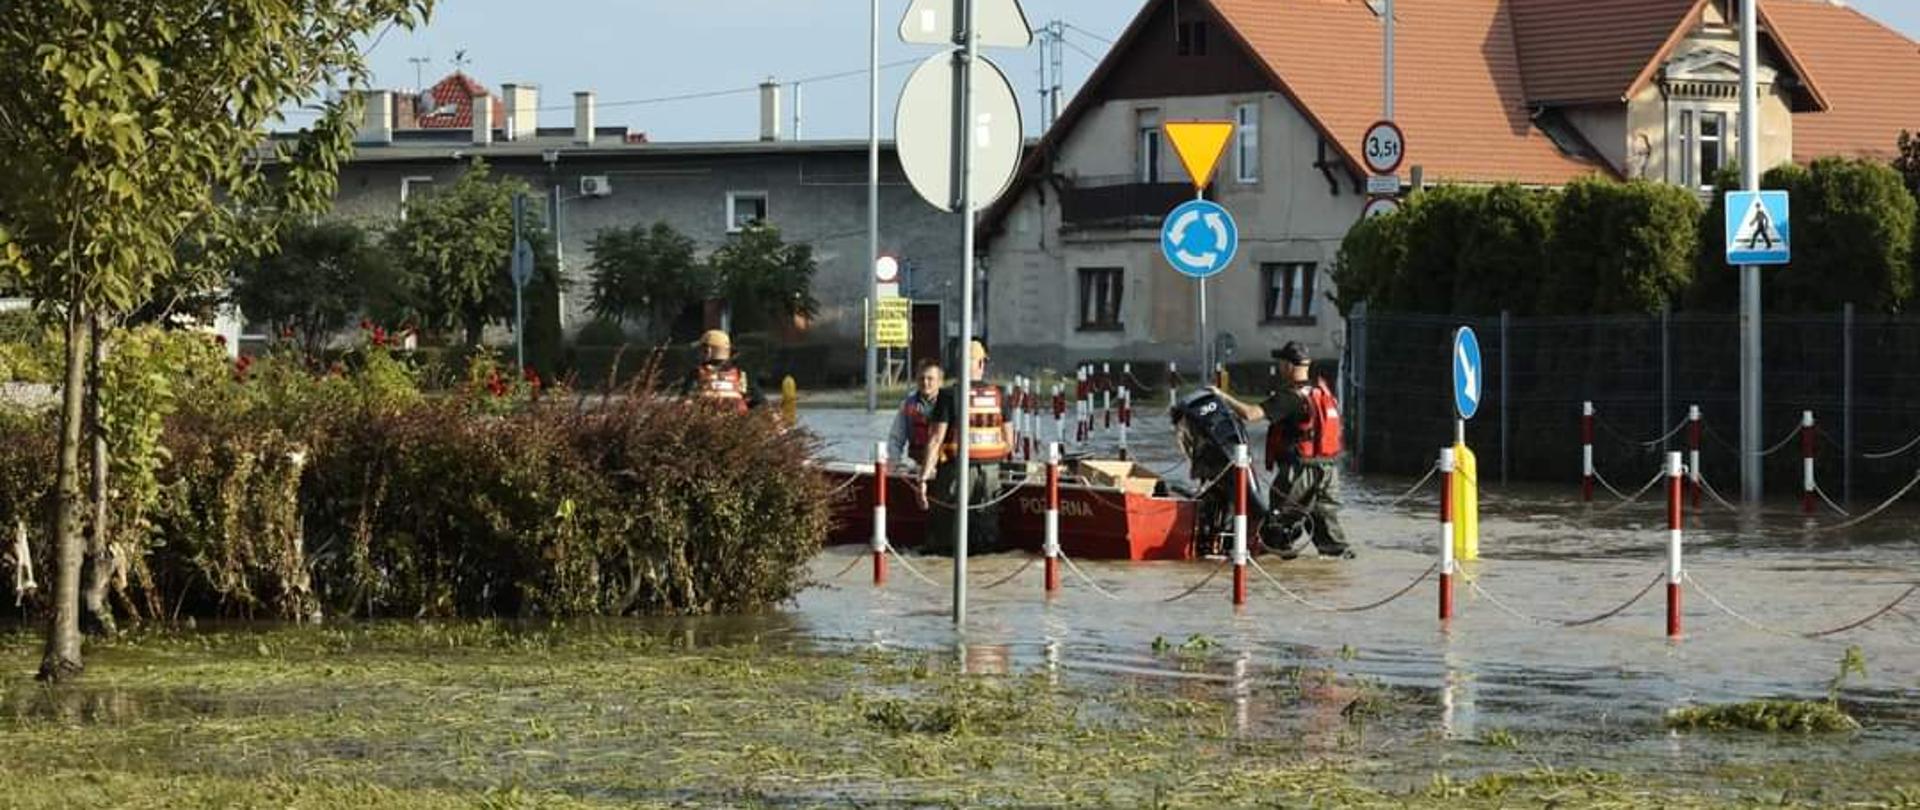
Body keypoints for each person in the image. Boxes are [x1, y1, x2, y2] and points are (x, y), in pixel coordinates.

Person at [1212, 341, 1353, 559]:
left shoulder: (1290, 397)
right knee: (1329, 532)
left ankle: (1276, 576)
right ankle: (1336, 573)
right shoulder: (1320, 392)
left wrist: (1222, 396)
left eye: (1280, 363)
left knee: (1276, 529)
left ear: (1288, 366)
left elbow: (1250, 414)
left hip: (1299, 473)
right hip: (1328, 471)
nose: (1279, 368)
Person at [915, 341, 1013, 556]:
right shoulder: (1000, 394)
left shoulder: (949, 396)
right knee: (985, 532)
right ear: (980, 363)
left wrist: (923, 479)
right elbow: (1010, 442)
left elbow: (935, 441)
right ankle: (982, 574)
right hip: (990, 473)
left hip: (955, 472)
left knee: (947, 534)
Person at [679, 329, 765, 413]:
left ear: (708, 351)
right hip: (736, 424)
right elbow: (759, 401)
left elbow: (684, 402)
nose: (699, 353)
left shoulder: (698, 372)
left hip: (706, 423)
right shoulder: (740, 373)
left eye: (701, 349)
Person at [888, 358, 943, 468]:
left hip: (943, 465)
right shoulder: (907, 405)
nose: (925, 382)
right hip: (917, 464)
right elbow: (896, 439)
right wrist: (895, 462)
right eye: (921, 378)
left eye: (930, 379)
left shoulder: (949, 404)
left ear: (940, 382)